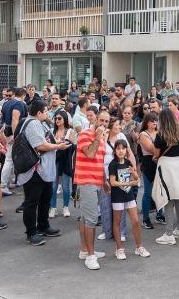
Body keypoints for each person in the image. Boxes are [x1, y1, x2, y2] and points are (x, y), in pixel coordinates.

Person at [18, 100, 70, 246]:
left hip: (44, 170)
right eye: (45, 111)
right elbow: (40, 145)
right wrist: (58, 146)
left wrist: (57, 143)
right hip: (35, 170)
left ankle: (43, 225)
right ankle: (31, 232)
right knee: (32, 201)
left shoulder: (40, 123)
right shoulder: (33, 123)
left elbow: (46, 140)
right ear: (39, 112)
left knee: (45, 198)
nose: (47, 114)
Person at [152, 109, 179, 246]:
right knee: (178, 198)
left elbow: (156, 154)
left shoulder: (161, 135)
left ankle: (169, 234)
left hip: (167, 166)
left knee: (168, 199)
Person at [74, 106, 108, 269]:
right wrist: (98, 137)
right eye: (101, 120)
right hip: (86, 181)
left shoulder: (102, 137)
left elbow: (100, 160)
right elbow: (90, 154)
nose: (103, 124)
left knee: (85, 218)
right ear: (94, 119)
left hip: (97, 181)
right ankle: (91, 256)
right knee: (92, 219)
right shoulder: (85, 134)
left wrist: (105, 180)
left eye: (106, 121)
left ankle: (85, 250)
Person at [108, 140, 150, 260]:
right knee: (117, 222)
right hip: (117, 197)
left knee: (136, 221)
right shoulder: (113, 164)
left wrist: (134, 174)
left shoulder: (128, 162)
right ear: (115, 151)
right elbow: (112, 182)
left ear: (126, 150)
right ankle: (119, 249)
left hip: (129, 195)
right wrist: (128, 183)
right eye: (118, 148)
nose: (121, 151)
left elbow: (136, 178)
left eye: (123, 148)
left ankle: (139, 247)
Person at [49, 109, 76, 218]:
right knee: (53, 186)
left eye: (59, 118)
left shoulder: (70, 131)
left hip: (65, 161)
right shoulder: (51, 131)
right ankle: (53, 208)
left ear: (64, 119)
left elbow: (72, 145)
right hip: (53, 160)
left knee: (65, 186)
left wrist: (61, 143)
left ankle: (66, 207)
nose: (57, 120)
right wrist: (59, 144)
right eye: (55, 118)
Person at [137, 113, 159, 229]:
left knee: (160, 192)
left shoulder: (159, 132)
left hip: (159, 163)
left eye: (156, 120)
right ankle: (146, 219)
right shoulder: (143, 134)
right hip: (148, 164)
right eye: (152, 121)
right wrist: (162, 147)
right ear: (146, 122)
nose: (154, 122)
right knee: (148, 193)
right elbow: (151, 148)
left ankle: (160, 215)